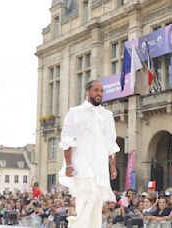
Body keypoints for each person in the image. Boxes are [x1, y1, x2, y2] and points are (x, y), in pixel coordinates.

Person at [58, 80, 120, 228]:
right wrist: (68, 165)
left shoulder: (107, 115)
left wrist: (113, 167)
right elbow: (67, 141)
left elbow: (111, 143)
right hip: (81, 163)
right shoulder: (75, 112)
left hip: (99, 166)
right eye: (96, 90)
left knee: (97, 199)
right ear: (88, 91)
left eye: (101, 91)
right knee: (87, 195)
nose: (99, 94)